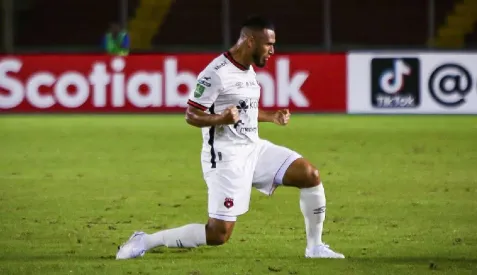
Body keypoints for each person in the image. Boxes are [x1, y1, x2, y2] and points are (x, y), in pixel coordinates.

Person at [116, 15, 345, 260]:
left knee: (309, 175)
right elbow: (191, 115)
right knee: (218, 234)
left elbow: (244, 112)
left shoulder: (248, 71)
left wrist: (271, 117)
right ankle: (146, 240)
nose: (272, 51)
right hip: (225, 158)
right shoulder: (216, 73)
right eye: (268, 44)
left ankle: (315, 247)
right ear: (249, 41)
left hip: (254, 149)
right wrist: (220, 120)